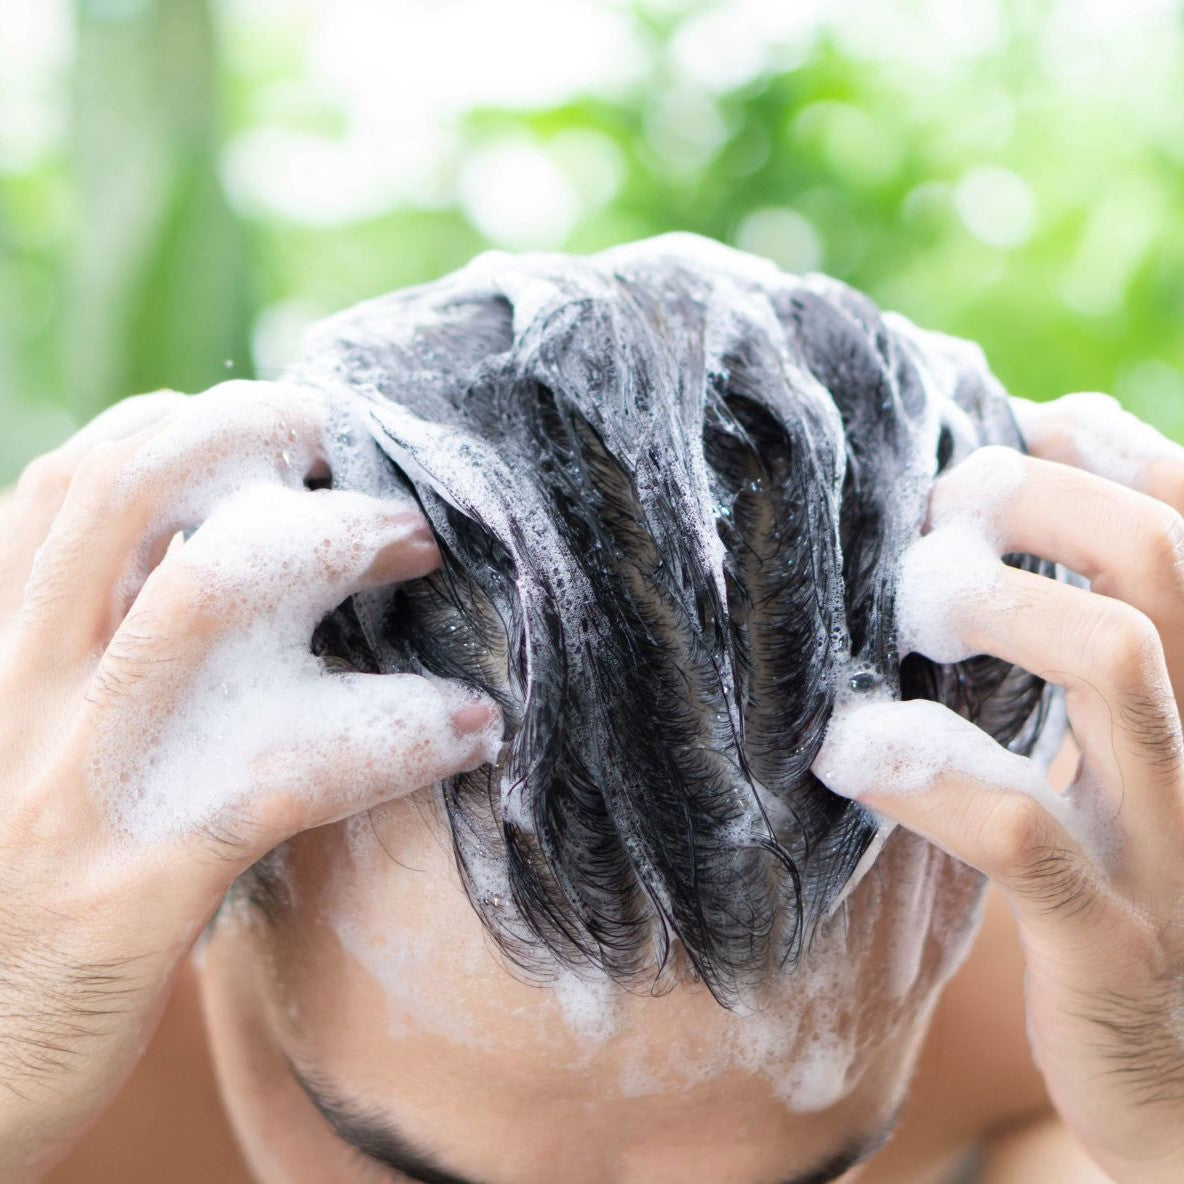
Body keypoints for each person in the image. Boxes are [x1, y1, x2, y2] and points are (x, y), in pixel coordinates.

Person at [2, 236, 1182, 1184]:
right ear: (221, 884)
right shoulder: (55, 1058)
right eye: (415, 1173)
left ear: (955, 892)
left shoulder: (1082, 1012)